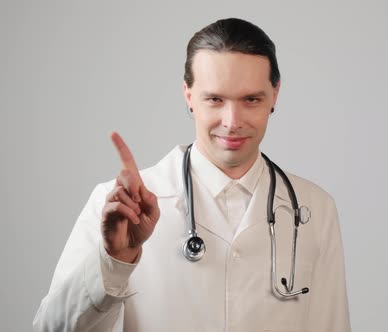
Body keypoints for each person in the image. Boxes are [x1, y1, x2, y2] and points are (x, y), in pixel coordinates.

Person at [33, 18, 350, 332]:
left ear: (275, 94)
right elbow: (50, 329)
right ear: (188, 94)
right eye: (215, 99)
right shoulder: (119, 206)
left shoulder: (314, 208)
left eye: (250, 99)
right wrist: (114, 261)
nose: (232, 121)